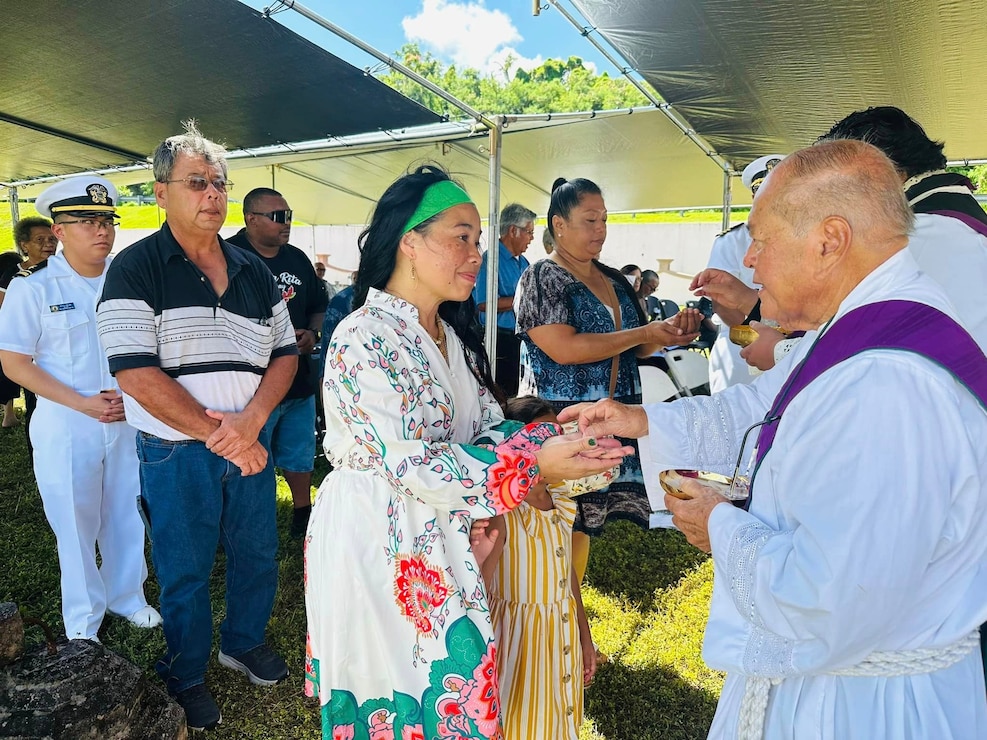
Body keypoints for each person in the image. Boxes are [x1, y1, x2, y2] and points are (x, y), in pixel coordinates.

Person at [561, 140, 987, 739]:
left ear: (829, 240)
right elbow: (766, 406)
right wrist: (645, 422)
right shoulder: (864, 323)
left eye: (761, 239)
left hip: (863, 706)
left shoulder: (888, 381)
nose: (752, 262)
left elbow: (832, 597)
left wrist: (721, 528)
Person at [303, 165, 630, 740]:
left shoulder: (447, 337)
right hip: (379, 542)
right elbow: (406, 461)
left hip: (440, 531)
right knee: (396, 692)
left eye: (477, 240)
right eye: (461, 236)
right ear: (409, 240)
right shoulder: (362, 335)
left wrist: (558, 437)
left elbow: (488, 426)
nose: (475, 253)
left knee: (450, 696)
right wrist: (530, 462)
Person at [96, 122, 298, 731]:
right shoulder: (135, 267)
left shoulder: (252, 270)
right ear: (161, 193)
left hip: (248, 442)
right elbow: (134, 372)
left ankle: (241, 643)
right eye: (196, 183)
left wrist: (254, 422)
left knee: (257, 551)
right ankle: (184, 671)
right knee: (184, 566)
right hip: (177, 450)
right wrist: (225, 437)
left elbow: (285, 352)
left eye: (219, 184)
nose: (212, 194)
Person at [514, 177, 700, 577]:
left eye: (604, 220)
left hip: (607, 417)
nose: (600, 230)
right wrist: (645, 333)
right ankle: (554, 618)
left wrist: (668, 333)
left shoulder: (614, 279)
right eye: (589, 220)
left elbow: (635, 346)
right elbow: (561, 348)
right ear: (558, 225)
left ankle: (568, 619)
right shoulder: (541, 277)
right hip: (563, 422)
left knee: (580, 529)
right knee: (554, 527)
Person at [0, 177, 159, 642]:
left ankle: (128, 596)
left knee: (128, 511)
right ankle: (84, 618)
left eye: (107, 219)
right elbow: (13, 360)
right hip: (68, 419)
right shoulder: (34, 287)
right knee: (74, 519)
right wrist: (83, 403)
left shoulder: (131, 280)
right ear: (59, 230)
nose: (101, 230)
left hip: (128, 414)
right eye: (86, 220)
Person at [473, 395, 598, 740]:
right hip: (519, 644)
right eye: (543, 440)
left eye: (558, 436)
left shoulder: (559, 497)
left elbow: (567, 574)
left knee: (559, 719)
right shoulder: (503, 511)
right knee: (522, 722)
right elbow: (479, 587)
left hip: (561, 631)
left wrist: (584, 637)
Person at [227, 188, 328, 539]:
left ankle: (303, 512)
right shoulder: (225, 256)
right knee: (249, 457)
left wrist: (313, 334)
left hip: (297, 379)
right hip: (250, 385)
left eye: (288, 215)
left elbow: (318, 303)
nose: (287, 224)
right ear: (251, 219)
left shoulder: (298, 259)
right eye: (278, 217)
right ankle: (247, 522)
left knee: (300, 453)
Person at [692, 154, 784, 391]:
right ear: (755, 196)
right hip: (740, 348)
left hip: (791, 345)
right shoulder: (732, 241)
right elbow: (723, 305)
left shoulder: (805, 236)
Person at [1, 218, 58, 435]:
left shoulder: (67, 269)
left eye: (52, 239)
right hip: (29, 351)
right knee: (35, 405)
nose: (48, 244)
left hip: (56, 348)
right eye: (40, 240)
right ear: (24, 245)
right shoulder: (14, 276)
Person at [472, 203, 536, 396]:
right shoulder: (491, 260)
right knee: (503, 394)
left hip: (520, 339)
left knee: (519, 393)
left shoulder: (524, 262)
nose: (532, 238)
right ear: (513, 231)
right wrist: (522, 299)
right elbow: (483, 303)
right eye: (528, 232)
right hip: (499, 340)